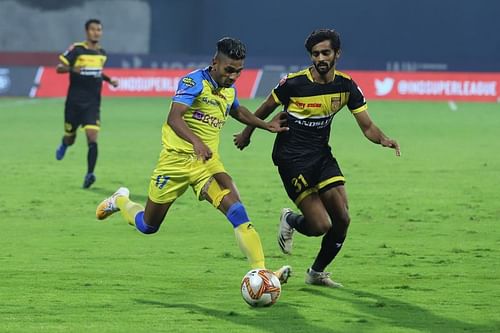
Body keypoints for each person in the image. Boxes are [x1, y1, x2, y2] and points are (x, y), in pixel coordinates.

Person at [96, 37, 291, 281]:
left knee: (238, 212)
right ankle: (121, 200)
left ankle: (261, 272)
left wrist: (265, 125)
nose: (232, 76)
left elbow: (238, 110)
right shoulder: (194, 82)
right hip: (174, 162)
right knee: (148, 225)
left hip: (206, 164)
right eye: (229, 70)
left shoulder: (229, 91)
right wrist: (196, 142)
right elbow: (174, 118)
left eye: (238, 72)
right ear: (215, 62)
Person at [234, 29, 400, 287]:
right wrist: (247, 133)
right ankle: (290, 219)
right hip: (291, 159)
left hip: (321, 155)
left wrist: (383, 139)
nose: (320, 58)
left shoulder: (346, 86)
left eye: (325, 53)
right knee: (321, 225)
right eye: (315, 54)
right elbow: (266, 107)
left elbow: (367, 126)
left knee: (343, 219)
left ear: (337, 54)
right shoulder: (294, 84)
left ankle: (316, 273)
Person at [55, 18, 118, 188]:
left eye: (99, 29)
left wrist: (109, 79)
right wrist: (71, 69)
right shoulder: (77, 50)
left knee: (92, 138)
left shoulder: (101, 53)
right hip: (74, 103)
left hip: (92, 104)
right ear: (86, 31)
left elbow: (97, 72)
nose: (96, 32)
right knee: (71, 138)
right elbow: (58, 68)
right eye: (93, 29)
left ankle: (90, 174)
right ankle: (64, 144)